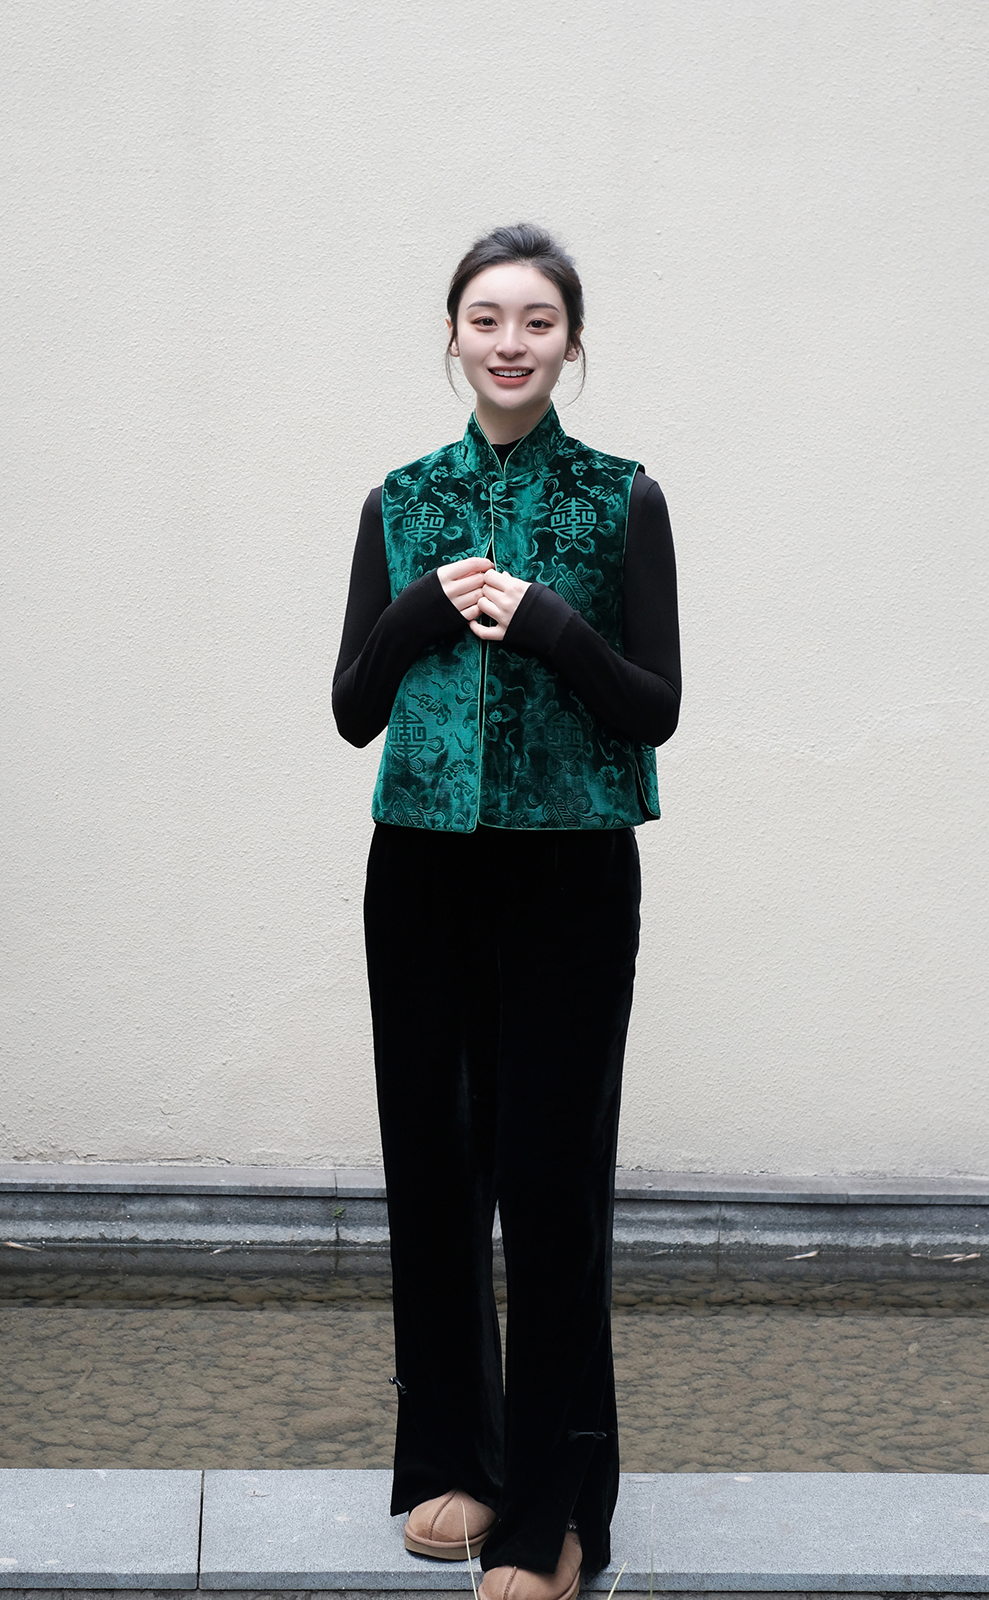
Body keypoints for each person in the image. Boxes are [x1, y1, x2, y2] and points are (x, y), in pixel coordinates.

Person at [332, 224, 681, 1600]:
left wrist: (548, 625)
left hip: (571, 875)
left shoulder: (623, 498)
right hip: (420, 871)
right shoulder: (401, 499)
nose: (511, 342)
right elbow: (354, 708)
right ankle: (453, 1463)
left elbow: (654, 708)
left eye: (538, 320)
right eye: (487, 318)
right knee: (432, 1174)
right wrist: (420, 608)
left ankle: (557, 1512)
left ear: (571, 344)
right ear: (454, 336)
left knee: (550, 1187)